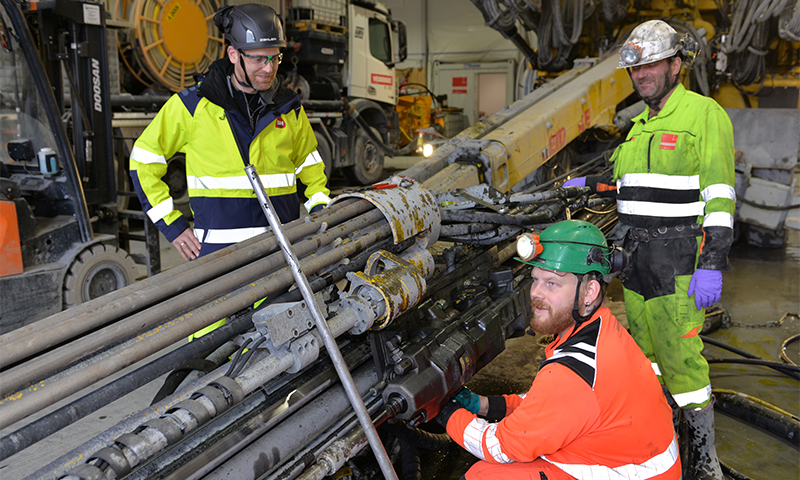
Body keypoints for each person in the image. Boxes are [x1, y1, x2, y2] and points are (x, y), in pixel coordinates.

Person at [563, 19, 736, 480]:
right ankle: (660, 452)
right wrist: (585, 184)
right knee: (646, 359)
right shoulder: (637, 128)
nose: (642, 76)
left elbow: (720, 199)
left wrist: (713, 264)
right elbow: (628, 189)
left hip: (679, 264)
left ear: (676, 65)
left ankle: (703, 464)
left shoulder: (703, 115)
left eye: (652, 66)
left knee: (682, 363)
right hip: (636, 263)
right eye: (636, 69)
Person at [436, 220, 681, 480]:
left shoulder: (573, 374)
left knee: (484, 476)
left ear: (589, 291)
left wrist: (447, 413)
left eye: (552, 283)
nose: (535, 294)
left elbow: (499, 448)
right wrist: (485, 405)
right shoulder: (601, 327)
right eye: (535, 280)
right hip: (632, 459)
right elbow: (546, 404)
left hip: (635, 474)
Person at [130, 3, 331, 262]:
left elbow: (310, 164)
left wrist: (321, 210)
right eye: (258, 58)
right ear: (234, 55)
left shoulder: (288, 107)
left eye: (274, 58)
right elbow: (144, 160)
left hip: (281, 253)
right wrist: (173, 226)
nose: (269, 69)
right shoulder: (192, 106)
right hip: (218, 258)